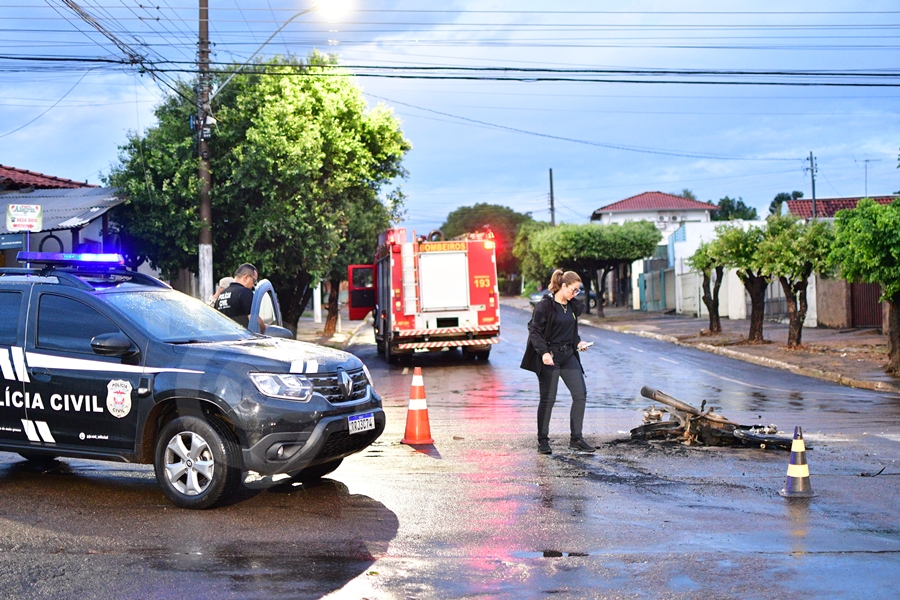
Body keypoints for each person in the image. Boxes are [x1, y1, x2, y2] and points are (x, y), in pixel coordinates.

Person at [520, 269, 594, 455]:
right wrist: (544, 353)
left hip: (569, 356)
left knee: (580, 394)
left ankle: (576, 438)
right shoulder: (545, 306)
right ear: (563, 286)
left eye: (578, 291)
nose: (575, 294)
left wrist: (579, 343)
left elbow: (571, 332)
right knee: (548, 399)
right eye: (574, 290)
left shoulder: (571, 307)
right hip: (550, 358)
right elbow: (535, 331)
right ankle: (542, 441)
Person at [215, 264, 259, 329]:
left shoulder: (221, 295)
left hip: (224, 337)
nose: (253, 285)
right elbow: (254, 321)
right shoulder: (245, 292)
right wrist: (264, 327)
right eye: (254, 281)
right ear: (246, 277)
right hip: (243, 337)